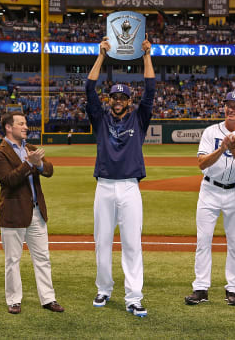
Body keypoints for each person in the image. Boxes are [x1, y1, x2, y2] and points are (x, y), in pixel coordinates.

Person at [85, 35, 155, 317]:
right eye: (114, 97)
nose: (117, 101)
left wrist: (147, 56)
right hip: (104, 187)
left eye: (122, 97)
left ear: (128, 101)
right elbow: (88, 88)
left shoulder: (138, 118)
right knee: (102, 241)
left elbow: (150, 90)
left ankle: (134, 296)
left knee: (131, 243)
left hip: (128, 188)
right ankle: (103, 288)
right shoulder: (100, 118)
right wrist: (101, 55)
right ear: (109, 99)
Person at [184, 91, 235, 307]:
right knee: (203, 240)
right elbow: (202, 163)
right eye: (228, 105)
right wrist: (222, 148)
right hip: (210, 190)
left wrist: (234, 149)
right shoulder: (210, 131)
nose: (231, 109)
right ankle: (200, 288)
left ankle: (233, 289)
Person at [0, 111, 64, 315]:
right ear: (8, 127)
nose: (25, 127)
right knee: (12, 260)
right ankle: (14, 300)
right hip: (13, 213)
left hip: (36, 211)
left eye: (25, 123)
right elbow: (9, 180)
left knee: (42, 257)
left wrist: (38, 163)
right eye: (21, 124)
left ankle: (48, 298)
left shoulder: (30, 149)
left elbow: (49, 170)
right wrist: (29, 163)